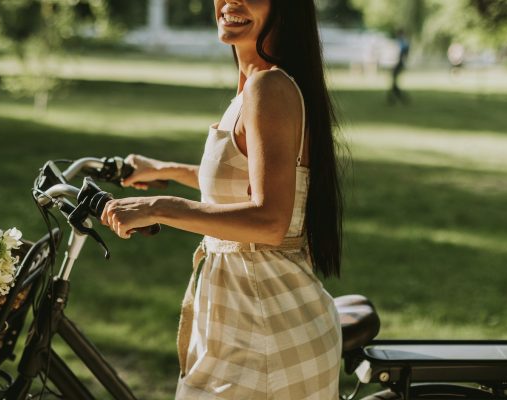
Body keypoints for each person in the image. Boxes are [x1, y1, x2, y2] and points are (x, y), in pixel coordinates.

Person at [99, 0, 344, 398]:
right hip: (244, 321)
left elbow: (270, 220)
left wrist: (161, 207)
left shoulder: (269, 88)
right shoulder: (254, 84)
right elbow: (248, 181)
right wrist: (165, 170)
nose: (231, 1)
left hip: (267, 337)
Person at [387, 29, 409, 104]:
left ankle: (397, 98)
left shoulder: (402, 42)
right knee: (394, 81)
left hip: (398, 63)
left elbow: (401, 54)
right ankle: (396, 98)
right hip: (398, 63)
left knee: (394, 81)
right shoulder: (402, 42)